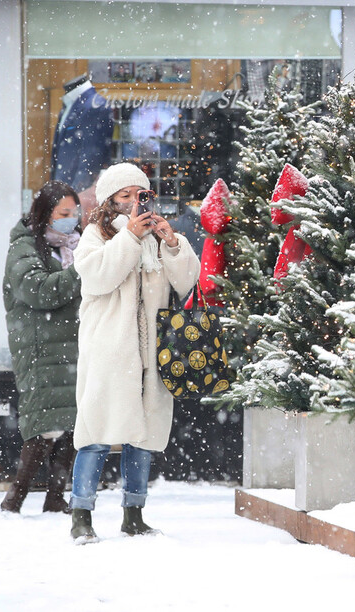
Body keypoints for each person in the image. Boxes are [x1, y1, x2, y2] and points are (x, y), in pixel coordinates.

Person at [69, 162, 200, 543]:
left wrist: (172, 243)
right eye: (123, 195)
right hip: (109, 348)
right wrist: (128, 236)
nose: (132, 202)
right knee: (95, 431)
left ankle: (134, 513)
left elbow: (186, 282)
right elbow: (98, 276)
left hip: (151, 350)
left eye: (139, 195)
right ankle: (81, 515)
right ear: (109, 200)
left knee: (142, 432)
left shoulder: (156, 235)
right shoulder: (95, 234)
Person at [1, 181, 83, 514]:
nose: (71, 220)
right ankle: (15, 498)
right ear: (44, 213)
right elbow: (37, 290)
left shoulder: (73, 245)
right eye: (63, 213)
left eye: (74, 213)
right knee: (43, 425)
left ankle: (55, 496)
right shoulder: (25, 248)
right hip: (39, 348)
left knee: (72, 422)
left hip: (70, 345)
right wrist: (81, 272)